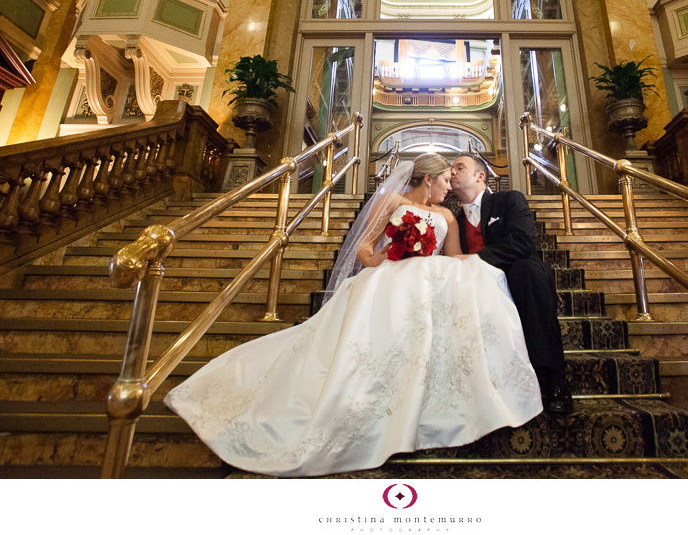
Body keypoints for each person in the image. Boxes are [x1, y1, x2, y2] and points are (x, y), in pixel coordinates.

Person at [164, 153, 542, 477]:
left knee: (462, 282)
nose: (449, 186)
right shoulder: (393, 201)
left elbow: (455, 257)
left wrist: (471, 267)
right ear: (428, 179)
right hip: (392, 273)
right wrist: (380, 258)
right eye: (444, 179)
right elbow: (364, 246)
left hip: (430, 273)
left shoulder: (447, 213)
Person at [449, 154, 573, 414]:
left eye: (459, 167)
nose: (452, 172)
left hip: (517, 277)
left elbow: (521, 243)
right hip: (475, 285)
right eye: (451, 168)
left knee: (528, 270)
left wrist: (473, 258)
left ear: (480, 176)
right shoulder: (452, 220)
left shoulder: (509, 200)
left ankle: (552, 380)